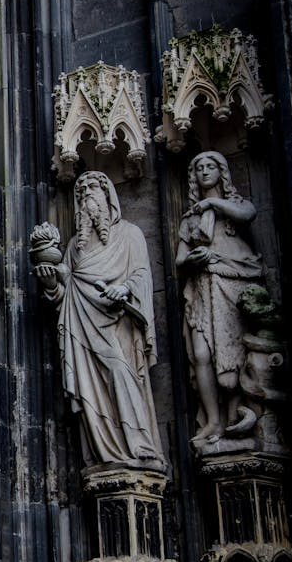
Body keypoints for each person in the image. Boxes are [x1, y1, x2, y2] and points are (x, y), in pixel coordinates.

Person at [35, 171, 164, 467]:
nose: (86, 196)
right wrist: (50, 285)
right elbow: (63, 299)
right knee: (91, 392)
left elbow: (142, 274)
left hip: (118, 323)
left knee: (120, 372)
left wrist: (124, 289)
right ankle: (103, 453)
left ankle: (138, 445)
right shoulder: (72, 248)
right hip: (82, 330)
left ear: (108, 196)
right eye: (81, 192)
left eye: (93, 188)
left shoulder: (129, 234)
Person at [175, 150, 264, 443]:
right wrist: (194, 260)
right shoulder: (191, 219)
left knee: (234, 353)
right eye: (198, 167)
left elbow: (248, 214)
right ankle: (212, 421)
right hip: (202, 287)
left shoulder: (235, 206)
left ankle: (238, 413)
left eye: (210, 165)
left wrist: (212, 203)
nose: (204, 171)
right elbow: (179, 260)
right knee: (201, 354)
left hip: (233, 284)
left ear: (222, 171)